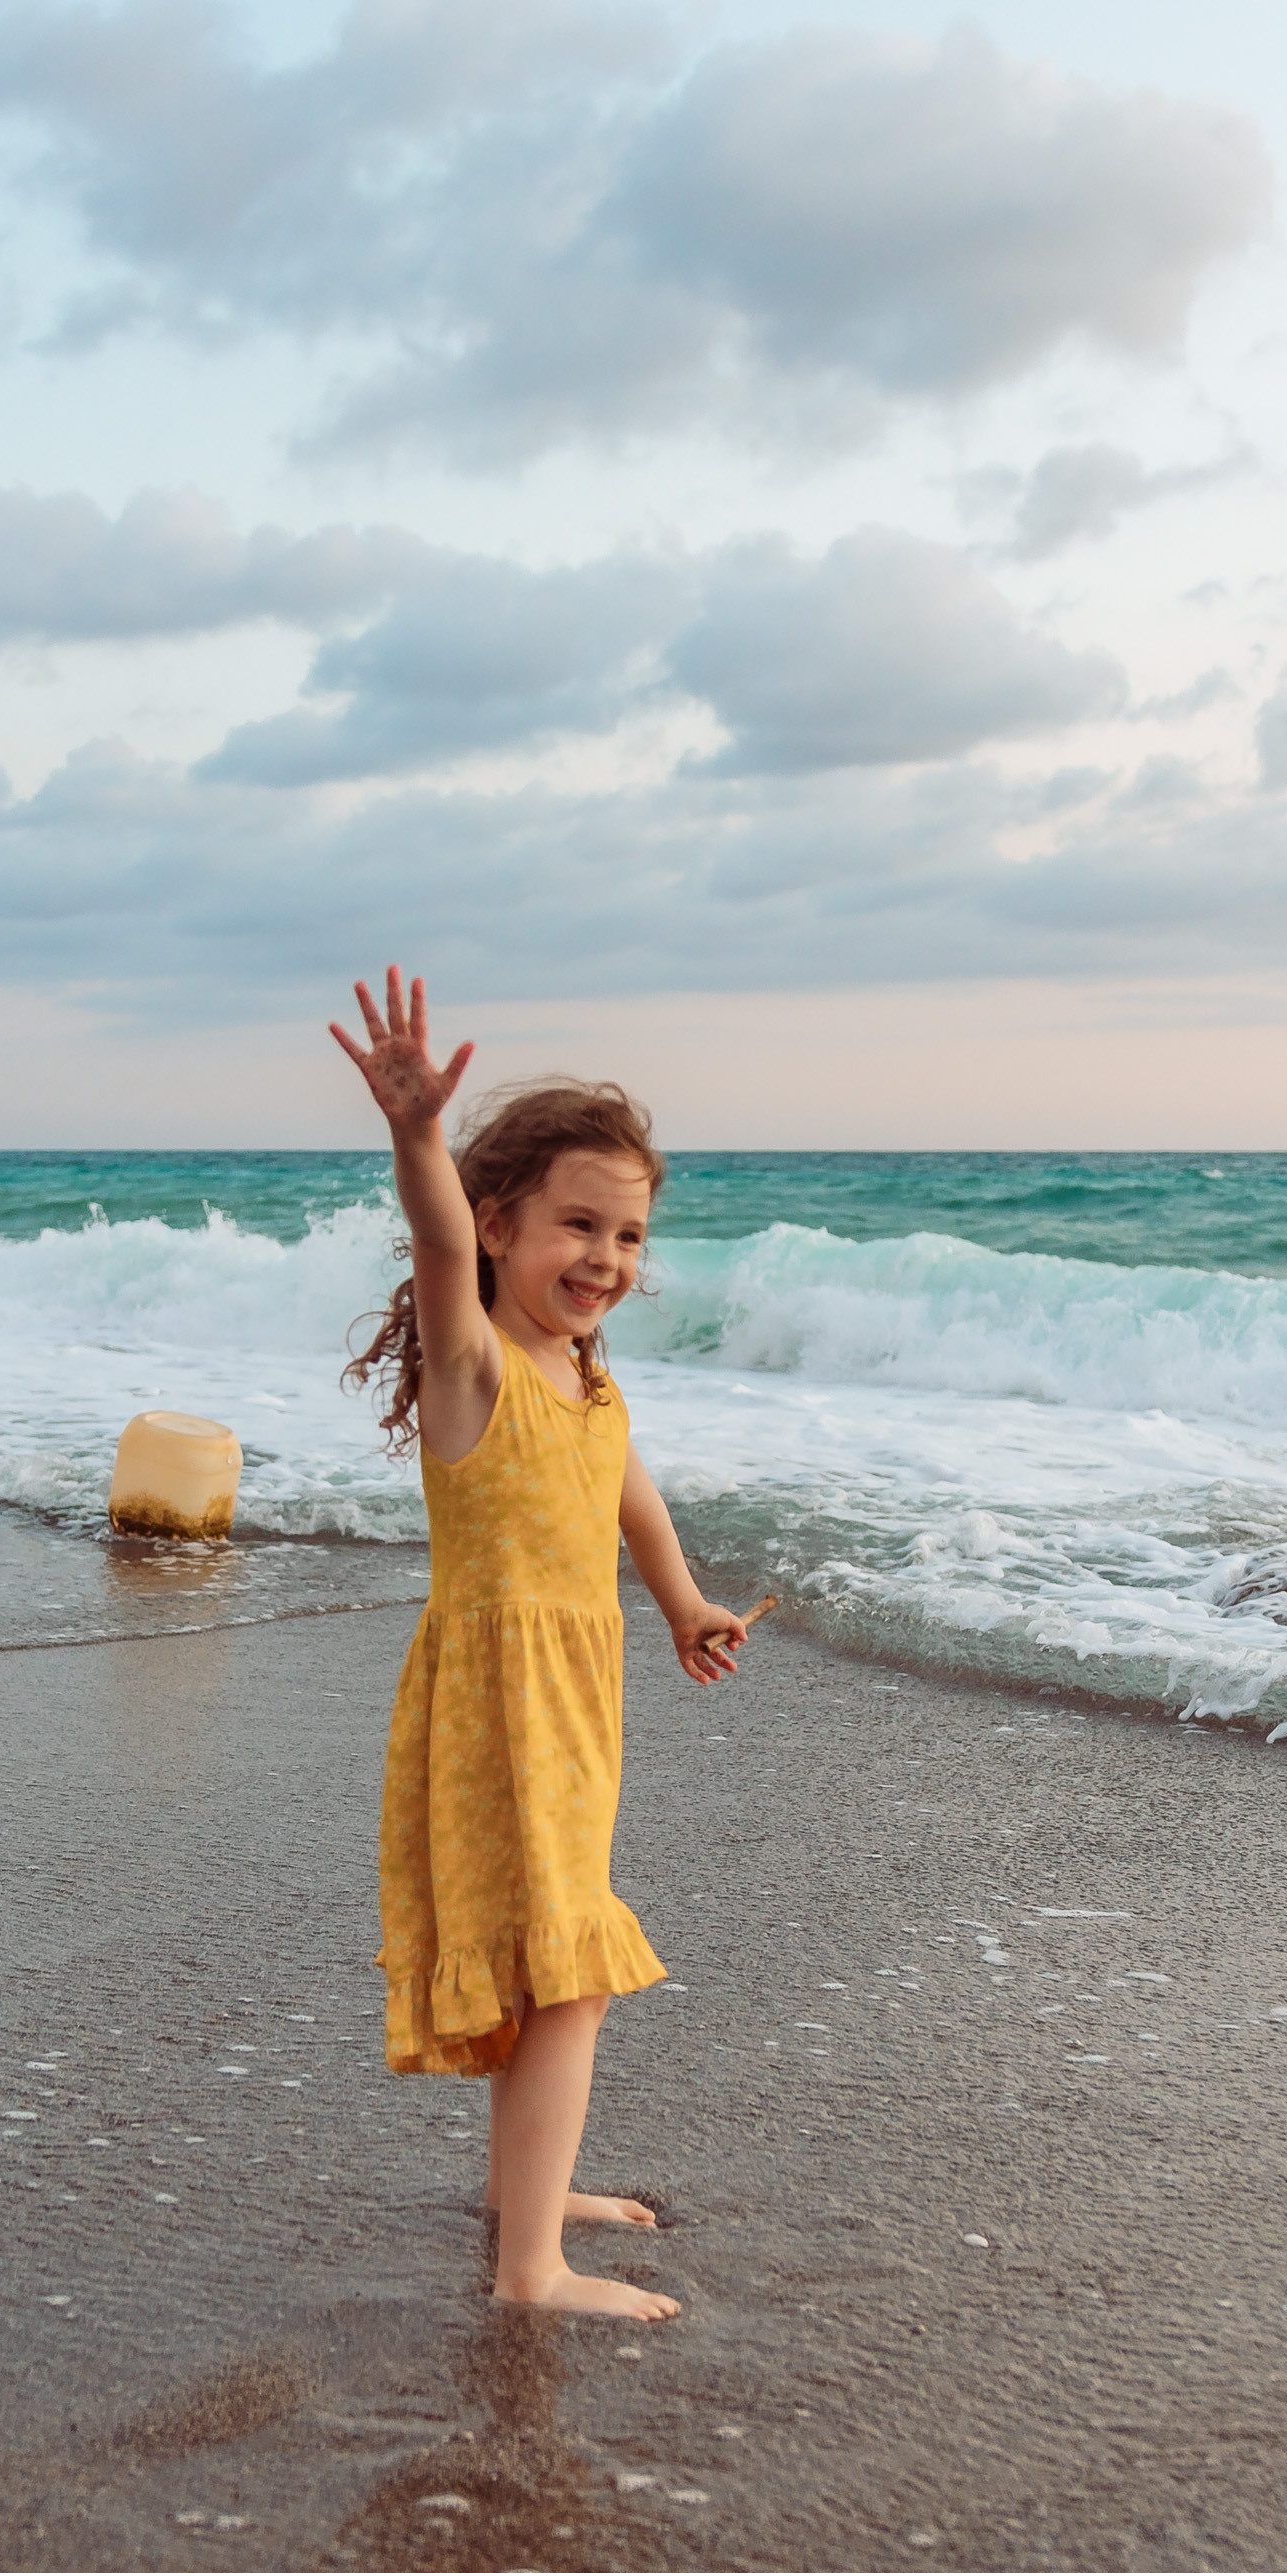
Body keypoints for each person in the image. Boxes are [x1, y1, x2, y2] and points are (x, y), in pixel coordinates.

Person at [334, 967, 749, 2319]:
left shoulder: (585, 1375)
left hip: (574, 1701)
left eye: (628, 1236)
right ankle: (531, 2271)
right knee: (570, 1975)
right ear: (500, 1224)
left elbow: (627, 1487)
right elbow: (433, 1242)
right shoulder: (476, 1370)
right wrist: (416, 1136)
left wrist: (682, 1603)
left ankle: (530, 2194)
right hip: (498, 1707)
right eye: (578, 1224)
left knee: (547, 1963)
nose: (606, 1260)